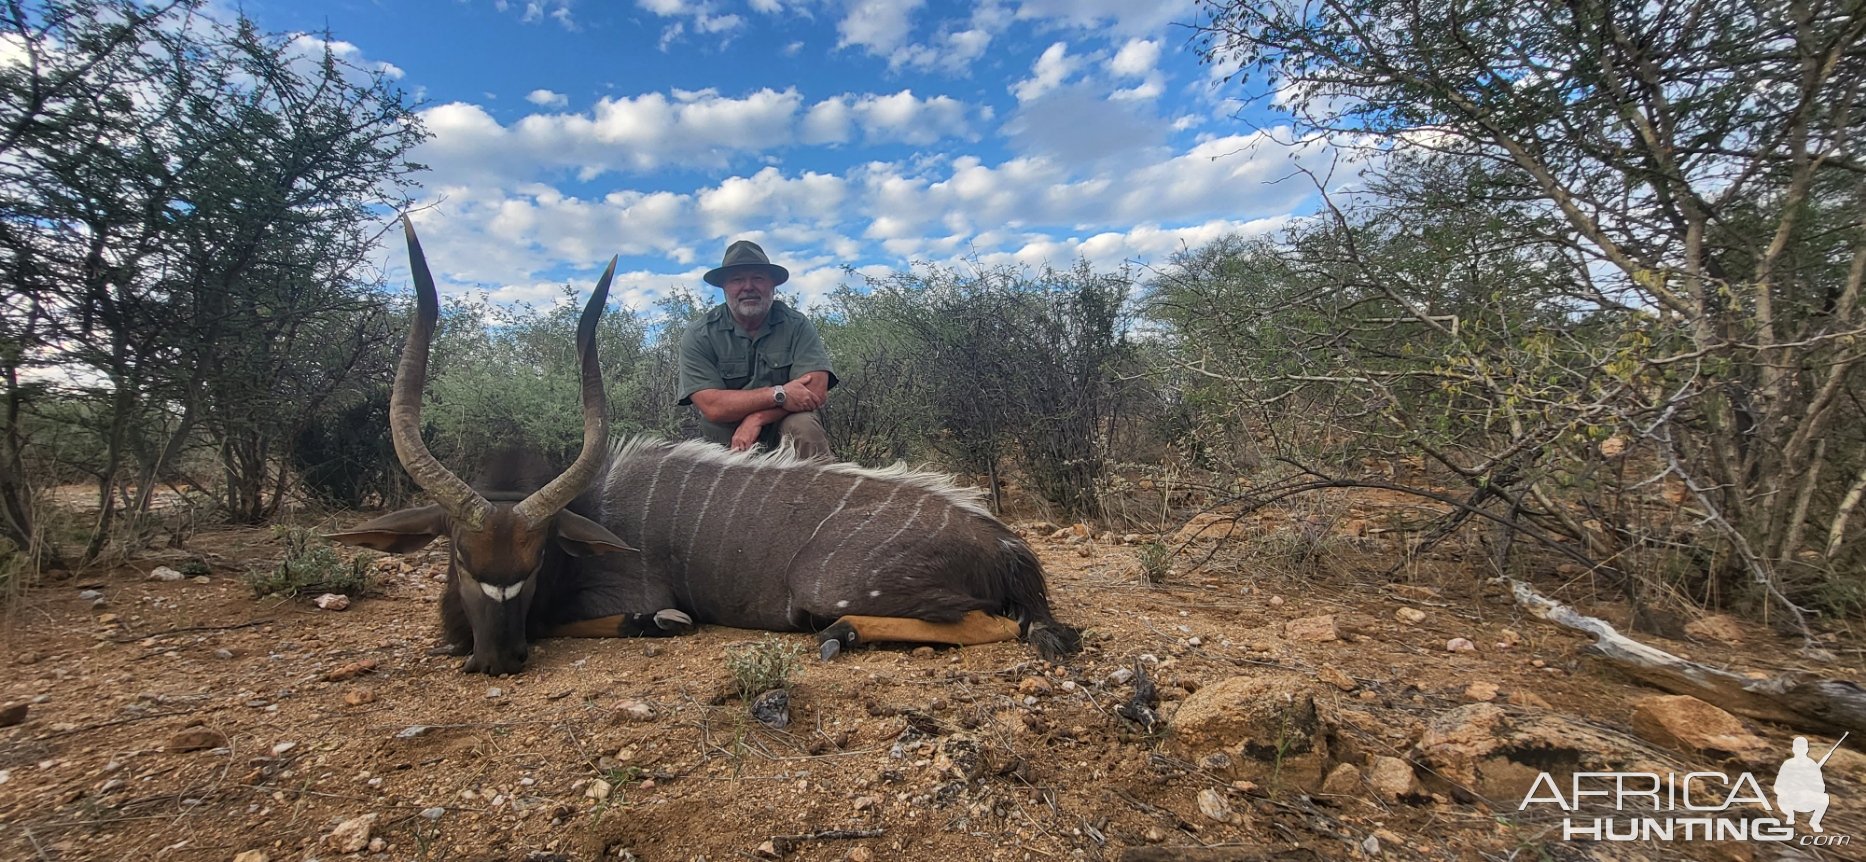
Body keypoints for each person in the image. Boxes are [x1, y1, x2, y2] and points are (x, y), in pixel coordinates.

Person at [677, 239, 837, 459]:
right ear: (724, 288)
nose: (748, 287)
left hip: (783, 430)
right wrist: (780, 394)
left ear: (772, 285)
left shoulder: (797, 325)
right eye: (737, 279)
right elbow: (713, 406)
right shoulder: (699, 334)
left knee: (803, 425)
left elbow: (815, 390)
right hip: (728, 440)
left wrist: (757, 418)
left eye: (758, 278)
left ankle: (822, 492)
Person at [1773, 736, 1830, 832]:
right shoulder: (1788, 764)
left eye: (1802, 748)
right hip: (1790, 798)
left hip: (1806, 799)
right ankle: (1790, 816)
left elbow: (1821, 787)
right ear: (1793, 749)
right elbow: (1778, 785)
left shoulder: (1812, 765)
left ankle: (1815, 822)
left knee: (1824, 798)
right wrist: (1786, 791)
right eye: (1797, 748)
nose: (1800, 750)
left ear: (1807, 749)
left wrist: (1810, 784)